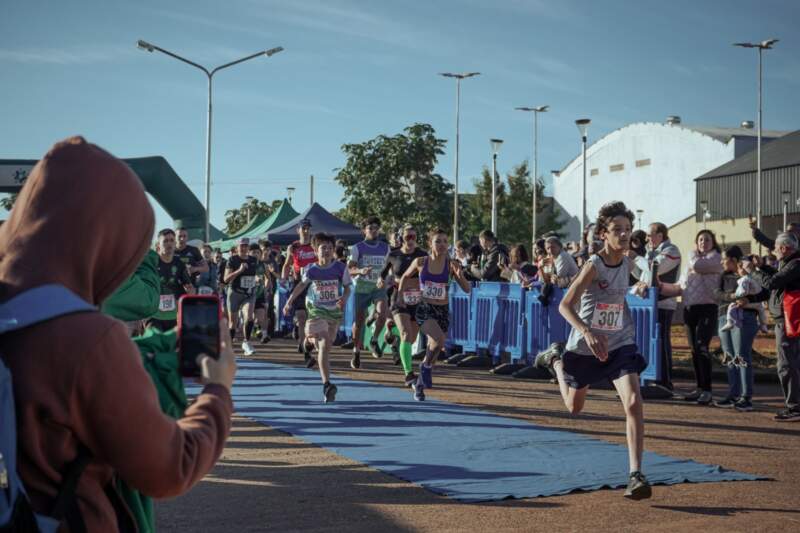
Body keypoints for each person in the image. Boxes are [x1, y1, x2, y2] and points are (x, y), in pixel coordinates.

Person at [0, 136, 234, 531]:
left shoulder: (16, 315)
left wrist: (152, 347)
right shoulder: (87, 340)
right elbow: (170, 466)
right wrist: (217, 391)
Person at [534, 201, 651, 500]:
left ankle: (635, 474)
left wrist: (644, 285)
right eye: (617, 230)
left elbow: (639, 281)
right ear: (603, 233)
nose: (624, 236)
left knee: (634, 400)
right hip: (587, 345)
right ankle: (556, 360)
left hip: (620, 342)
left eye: (627, 230)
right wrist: (586, 331)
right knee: (574, 407)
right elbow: (564, 305)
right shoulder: (593, 265)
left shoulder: (628, 262)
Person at [399, 227, 471, 401]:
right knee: (439, 339)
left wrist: (460, 276)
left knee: (436, 347)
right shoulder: (420, 262)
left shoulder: (451, 264)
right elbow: (405, 277)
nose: (442, 245)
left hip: (443, 311)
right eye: (438, 241)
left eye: (445, 241)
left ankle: (421, 383)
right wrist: (401, 297)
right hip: (425, 309)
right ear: (430, 244)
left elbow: (467, 289)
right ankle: (425, 368)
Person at [283, 232, 351, 402]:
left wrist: (344, 297)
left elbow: (348, 287)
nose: (326, 251)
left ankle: (307, 342)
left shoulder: (340, 268)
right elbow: (300, 286)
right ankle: (327, 384)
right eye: (323, 248)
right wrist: (289, 301)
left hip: (333, 312)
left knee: (327, 346)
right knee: (323, 344)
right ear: (315, 250)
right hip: (316, 310)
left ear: (333, 250)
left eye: (329, 248)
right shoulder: (311, 269)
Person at [746, 232, 800, 421]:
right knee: (790, 362)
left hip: (788, 321)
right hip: (785, 319)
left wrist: (753, 271)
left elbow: (772, 283)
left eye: (776, 247)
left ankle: (794, 407)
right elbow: (777, 279)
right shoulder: (791, 263)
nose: (774, 250)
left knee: (787, 364)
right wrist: (763, 266)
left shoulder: (795, 264)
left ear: (784, 248)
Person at [712, 247, 762, 411]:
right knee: (729, 357)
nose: (721, 262)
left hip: (744, 317)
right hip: (723, 317)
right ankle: (733, 394)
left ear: (734, 260)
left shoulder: (750, 274)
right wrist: (732, 296)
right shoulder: (723, 275)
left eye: (724, 259)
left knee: (742, 356)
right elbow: (717, 293)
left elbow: (758, 292)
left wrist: (743, 299)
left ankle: (746, 397)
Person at [378, 224, 428, 385]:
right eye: (408, 237)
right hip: (399, 298)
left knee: (411, 339)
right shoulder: (394, 255)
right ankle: (408, 374)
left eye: (414, 237)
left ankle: (392, 331)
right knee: (406, 334)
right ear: (401, 239)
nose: (411, 240)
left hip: (417, 300)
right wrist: (381, 280)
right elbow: (383, 273)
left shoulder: (422, 255)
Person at [678, 229, 723, 405]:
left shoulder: (716, 258)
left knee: (702, 346)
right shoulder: (691, 261)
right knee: (693, 349)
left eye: (707, 240)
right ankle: (699, 387)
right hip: (690, 307)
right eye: (701, 240)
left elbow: (697, 266)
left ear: (713, 242)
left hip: (708, 307)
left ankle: (707, 390)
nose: (704, 242)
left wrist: (691, 256)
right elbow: (682, 283)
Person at [348, 216, 391, 368]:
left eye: (376, 228)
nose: (373, 231)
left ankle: (374, 340)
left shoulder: (386, 248)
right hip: (361, 288)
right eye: (370, 228)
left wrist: (384, 277)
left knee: (383, 313)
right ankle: (356, 351)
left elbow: (388, 267)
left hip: (377, 287)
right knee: (359, 323)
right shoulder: (357, 248)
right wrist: (360, 270)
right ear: (364, 230)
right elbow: (350, 269)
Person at [645, 222, 681, 393]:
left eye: (650, 234)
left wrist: (639, 258)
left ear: (661, 235)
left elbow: (654, 269)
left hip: (664, 303)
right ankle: (653, 378)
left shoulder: (671, 250)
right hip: (650, 302)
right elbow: (642, 274)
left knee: (662, 341)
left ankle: (665, 381)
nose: (647, 238)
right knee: (651, 342)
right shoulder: (651, 251)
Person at [281, 219, 318, 357]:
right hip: (298, 284)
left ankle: (304, 336)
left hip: (314, 285)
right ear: (298, 230)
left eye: (308, 228)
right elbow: (286, 264)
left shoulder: (316, 245)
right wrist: (284, 278)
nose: (306, 231)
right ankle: (303, 344)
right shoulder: (293, 247)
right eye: (303, 228)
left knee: (310, 318)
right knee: (302, 316)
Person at [147, 228, 195, 332]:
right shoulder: (151, 262)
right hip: (153, 314)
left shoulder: (179, 264)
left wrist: (191, 292)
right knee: (155, 344)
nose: (169, 244)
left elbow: (190, 287)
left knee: (173, 346)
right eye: (165, 241)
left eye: (172, 240)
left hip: (173, 316)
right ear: (158, 245)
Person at [225, 237, 259, 355]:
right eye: (241, 246)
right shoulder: (232, 260)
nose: (244, 248)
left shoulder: (254, 260)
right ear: (237, 247)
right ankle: (229, 346)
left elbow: (255, 275)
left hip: (249, 293)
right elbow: (226, 279)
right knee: (232, 323)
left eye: (246, 246)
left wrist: (258, 279)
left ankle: (246, 342)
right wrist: (239, 271)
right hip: (234, 293)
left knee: (249, 316)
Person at [248, 243, 271, 344]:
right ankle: (249, 335)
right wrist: (253, 279)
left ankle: (261, 332)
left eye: (258, 252)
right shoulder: (245, 264)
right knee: (249, 317)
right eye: (253, 252)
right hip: (247, 294)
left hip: (259, 294)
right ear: (249, 253)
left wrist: (265, 288)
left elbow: (268, 278)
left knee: (261, 317)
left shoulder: (263, 265)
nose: (255, 254)